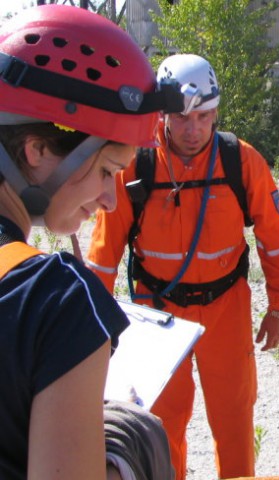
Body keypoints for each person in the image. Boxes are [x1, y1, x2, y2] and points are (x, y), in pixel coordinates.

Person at [86, 53, 279, 479]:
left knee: (234, 416)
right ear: (162, 115)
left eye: (204, 116)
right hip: (159, 310)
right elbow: (104, 252)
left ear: (216, 111)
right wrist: (95, 328)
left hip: (227, 306)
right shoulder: (136, 164)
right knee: (162, 421)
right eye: (182, 118)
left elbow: (274, 240)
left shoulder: (241, 160)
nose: (194, 129)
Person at [0, 4, 177, 480]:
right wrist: (122, 444)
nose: (108, 200)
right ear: (36, 151)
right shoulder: (56, 299)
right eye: (105, 171)